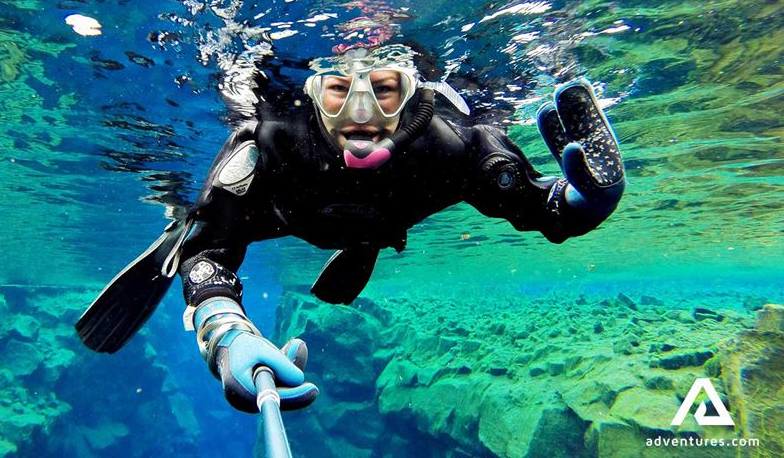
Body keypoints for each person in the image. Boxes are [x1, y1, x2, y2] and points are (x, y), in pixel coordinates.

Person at [75, 44, 626, 414]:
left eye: (384, 89)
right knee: (197, 224)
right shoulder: (268, 142)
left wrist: (581, 204)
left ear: (413, 91)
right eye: (340, 89)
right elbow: (210, 252)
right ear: (311, 91)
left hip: (376, 226)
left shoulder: (451, 146)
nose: (361, 112)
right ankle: (180, 213)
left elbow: (540, 207)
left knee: (364, 229)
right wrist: (227, 334)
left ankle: (365, 242)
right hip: (280, 213)